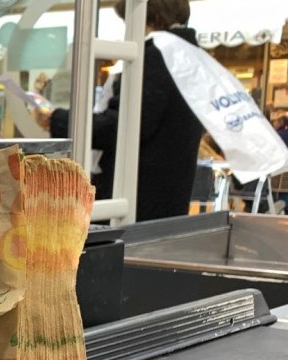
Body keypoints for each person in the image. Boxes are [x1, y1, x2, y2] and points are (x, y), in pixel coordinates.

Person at [37, 0, 202, 221]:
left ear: (147, 17)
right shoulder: (189, 57)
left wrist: (57, 119)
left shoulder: (156, 57)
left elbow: (123, 126)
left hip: (139, 201)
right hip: (165, 201)